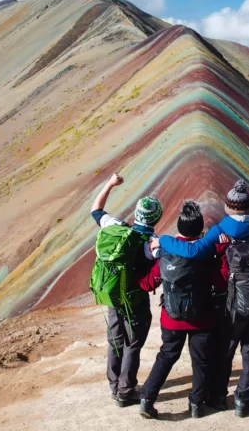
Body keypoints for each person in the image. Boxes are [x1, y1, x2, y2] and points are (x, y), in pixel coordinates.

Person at [150, 179, 249, 417]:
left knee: (224, 351)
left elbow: (192, 251)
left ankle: (218, 397)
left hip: (229, 305)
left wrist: (163, 240)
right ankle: (244, 402)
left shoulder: (220, 231)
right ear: (248, 209)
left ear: (228, 208)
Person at [136, 201, 227, 420]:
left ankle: (147, 399)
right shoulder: (206, 254)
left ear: (179, 226)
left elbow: (148, 284)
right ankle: (196, 404)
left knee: (167, 356)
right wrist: (222, 250)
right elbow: (222, 281)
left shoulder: (166, 253)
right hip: (201, 318)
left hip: (171, 318)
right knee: (201, 360)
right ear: (199, 230)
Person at [90, 173, 163, 407]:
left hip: (113, 296)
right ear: (157, 218)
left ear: (137, 214)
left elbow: (96, 209)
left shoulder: (117, 228)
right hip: (136, 301)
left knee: (115, 339)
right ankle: (126, 390)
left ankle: (114, 385)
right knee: (133, 343)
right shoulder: (153, 243)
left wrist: (110, 184)